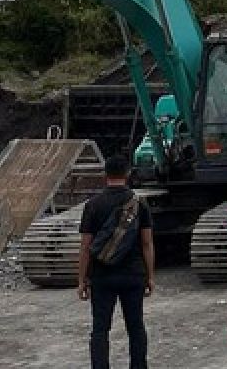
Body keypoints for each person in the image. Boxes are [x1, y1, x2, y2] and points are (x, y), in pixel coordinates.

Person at [78, 157, 155, 369]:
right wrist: (150, 276)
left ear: (105, 175)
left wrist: (82, 280)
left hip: (102, 276)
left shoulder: (92, 205)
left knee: (100, 329)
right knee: (136, 327)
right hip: (133, 275)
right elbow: (147, 243)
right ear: (127, 173)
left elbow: (86, 246)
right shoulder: (139, 204)